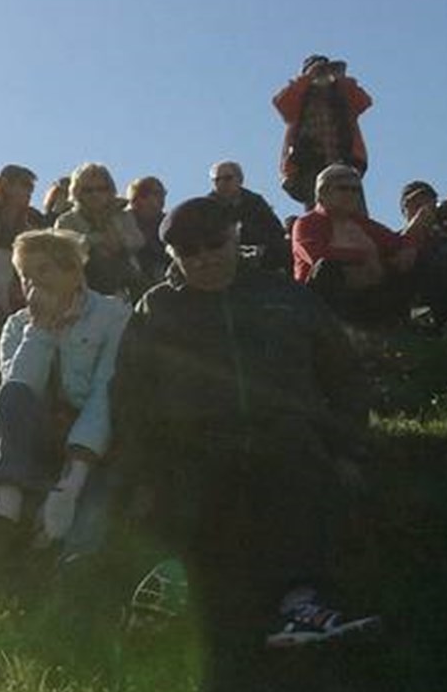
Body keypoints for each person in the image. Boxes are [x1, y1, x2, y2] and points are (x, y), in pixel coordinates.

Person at [118, 196, 381, 647]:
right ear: (172, 255)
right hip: (193, 437)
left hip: (283, 431)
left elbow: (343, 374)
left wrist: (348, 447)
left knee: (296, 474)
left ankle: (300, 603)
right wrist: (140, 462)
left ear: (235, 235)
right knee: (184, 488)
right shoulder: (157, 308)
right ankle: (171, 603)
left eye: (213, 244)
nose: (203, 258)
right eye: (188, 251)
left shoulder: (287, 297)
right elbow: (130, 392)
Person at [0, 229, 131, 559]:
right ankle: (5, 514)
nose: (34, 283)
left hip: (92, 439)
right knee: (12, 394)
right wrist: (41, 329)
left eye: (44, 270)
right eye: (25, 276)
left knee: (86, 524)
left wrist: (72, 483)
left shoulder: (113, 315)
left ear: (74, 272)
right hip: (38, 431)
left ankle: (62, 532)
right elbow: (18, 393)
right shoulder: (17, 326)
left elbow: (104, 393)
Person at [291, 164, 414, 326]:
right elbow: (317, 256)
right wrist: (364, 257)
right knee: (326, 268)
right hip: (318, 301)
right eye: (343, 189)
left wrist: (411, 242)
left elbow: (397, 242)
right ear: (323, 192)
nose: (351, 194)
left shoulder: (364, 224)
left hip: (367, 293)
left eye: (356, 190)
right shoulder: (307, 223)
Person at [274, 55, 372, 208]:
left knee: (353, 207)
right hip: (310, 164)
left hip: (344, 161)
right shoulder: (300, 98)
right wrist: (307, 78)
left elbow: (363, 102)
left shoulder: (341, 94)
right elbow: (281, 103)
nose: (322, 74)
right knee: (317, 210)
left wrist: (341, 78)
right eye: (319, 70)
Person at [53, 162, 147, 298]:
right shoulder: (67, 221)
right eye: (88, 190)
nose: (95, 194)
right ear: (77, 192)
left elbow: (138, 241)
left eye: (101, 189)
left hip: (128, 283)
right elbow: (64, 254)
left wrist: (118, 242)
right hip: (86, 287)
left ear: (109, 191)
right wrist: (96, 241)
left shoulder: (122, 215)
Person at [0, 164, 48, 312]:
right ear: (5, 184)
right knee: (1, 256)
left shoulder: (32, 216)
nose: (29, 191)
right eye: (25, 185)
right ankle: (4, 311)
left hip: (20, 267)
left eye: (31, 187)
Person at [206, 161, 290, 273]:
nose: (222, 183)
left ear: (240, 180)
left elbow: (276, 231)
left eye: (227, 178)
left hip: (262, 257)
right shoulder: (208, 207)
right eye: (217, 180)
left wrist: (262, 247)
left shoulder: (255, 202)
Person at [126, 177, 170, 284]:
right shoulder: (124, 220)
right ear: (139, 197)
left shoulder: (167, 222)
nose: (161, 199)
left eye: (163, 194)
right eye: (157, 193)